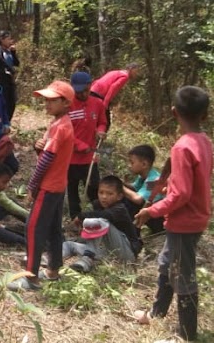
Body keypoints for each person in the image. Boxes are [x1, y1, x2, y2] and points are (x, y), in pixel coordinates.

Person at [133, 86, 213, 343]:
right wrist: (172, 188)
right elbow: (189, 184)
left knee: (183, 275)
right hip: (194, 217)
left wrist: (151, 210)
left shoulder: (182, 147)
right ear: (204, 115)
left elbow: (181, 195)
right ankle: (157, 313)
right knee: (167, 264)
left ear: (174, 112)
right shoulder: (204, 141)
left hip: (185, 221)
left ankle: (186, 336)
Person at [8, 80, 74, 291]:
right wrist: (39, 149)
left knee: (33, 228)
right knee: (54, 228)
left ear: (65, 103)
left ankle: (31, 278)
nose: (47, 104)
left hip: (49, 186)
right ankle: (53, 270)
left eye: (52, 101)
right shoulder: (60, 124)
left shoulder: (60, 127)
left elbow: (47, 160)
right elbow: (48, 153)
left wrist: (32, 185)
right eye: (46, 100)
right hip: (58, 184)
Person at [62, 174, 140, 272]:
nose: (104, 197)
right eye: (101, 192)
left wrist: (81, 216)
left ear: (119, 196)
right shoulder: (98, 204)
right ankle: (52, 259)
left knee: (98, 221)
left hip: (127, 254)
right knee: (69, 244)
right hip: (108, 250)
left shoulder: (120, 209)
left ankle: (88, 259)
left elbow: (104, 216)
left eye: (109, 194)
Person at [67, 70, 107, 223]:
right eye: (78, 91)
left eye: (85, 90)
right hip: (71, 158)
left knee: (94, 188)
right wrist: (79, 145)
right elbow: (65, 132)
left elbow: (102, 122)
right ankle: (75, 218)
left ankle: (100, 216)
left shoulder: (97, 104)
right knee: (72, 189)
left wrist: (101, 131)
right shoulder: (67, 105)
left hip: (90, 158)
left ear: (90, 86)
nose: (82, 94)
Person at [123, 144, 165, 233]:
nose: (129, 165)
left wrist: (119, 186)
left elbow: (138, 199)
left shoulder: (153, 180)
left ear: (144, 164)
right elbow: (134, 188)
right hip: (152, 215)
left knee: (131, 202)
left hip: (161, 221)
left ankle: (132, 232)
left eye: (132, 162)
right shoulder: (143, 176)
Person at [91, 63, 141, 129]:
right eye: (136, 71)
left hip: (93, 91)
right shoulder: (125, 76)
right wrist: (105, 103)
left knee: (94, 117)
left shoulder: (115, 72)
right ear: (131, 69)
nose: (137, 74)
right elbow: (113, 87)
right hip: (99, 95)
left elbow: (98, 80)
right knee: (105, 122)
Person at [0, 31, 20, 120]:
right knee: (2, 101)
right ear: (1, 39)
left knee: (12, 102)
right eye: (8, 39)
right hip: (1, 79)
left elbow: (16, 63)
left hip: (9, 80)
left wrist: (13, 53)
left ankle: (7, 121)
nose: (10, 41)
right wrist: (8, 68)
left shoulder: (8, 51)